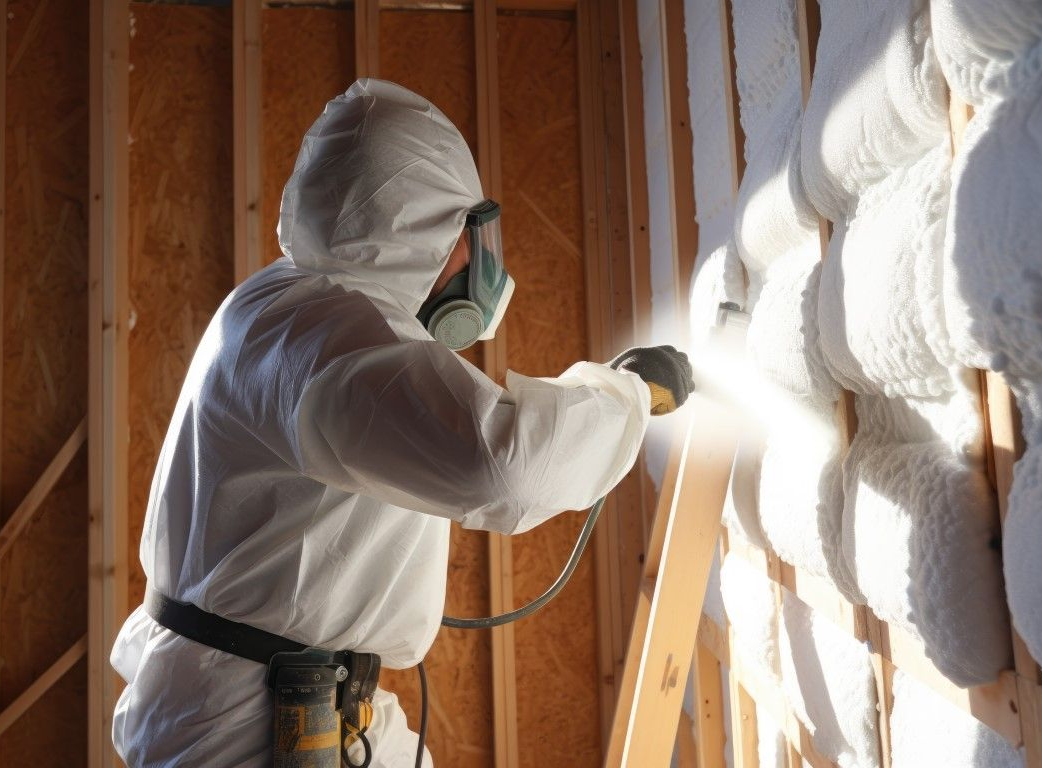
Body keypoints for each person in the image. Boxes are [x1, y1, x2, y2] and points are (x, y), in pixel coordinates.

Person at [110, 79, 693, 767]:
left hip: (280, 698)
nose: (478, 263)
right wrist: (626, 394)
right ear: (411, 230)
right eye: (464, 235)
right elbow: (502, 464)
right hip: (253, 726)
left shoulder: (281, 306)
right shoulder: (325, 332)